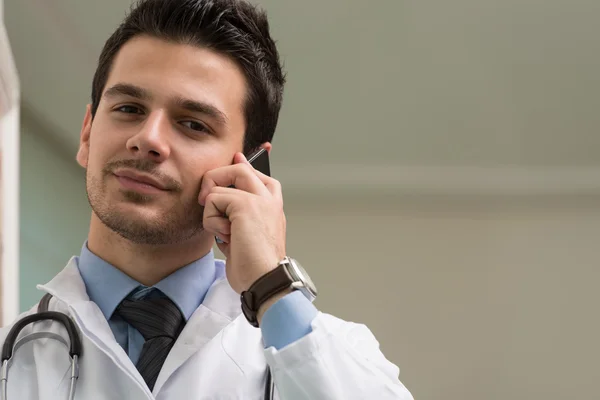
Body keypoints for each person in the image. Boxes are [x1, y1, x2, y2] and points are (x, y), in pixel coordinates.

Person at [0, 0, 414, 399]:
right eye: (129, 107)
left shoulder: (333, 354)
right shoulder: (11, 359)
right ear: (87, 134)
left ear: (250, 168)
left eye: (193, 124)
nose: (147, 138)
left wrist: (272, 289)